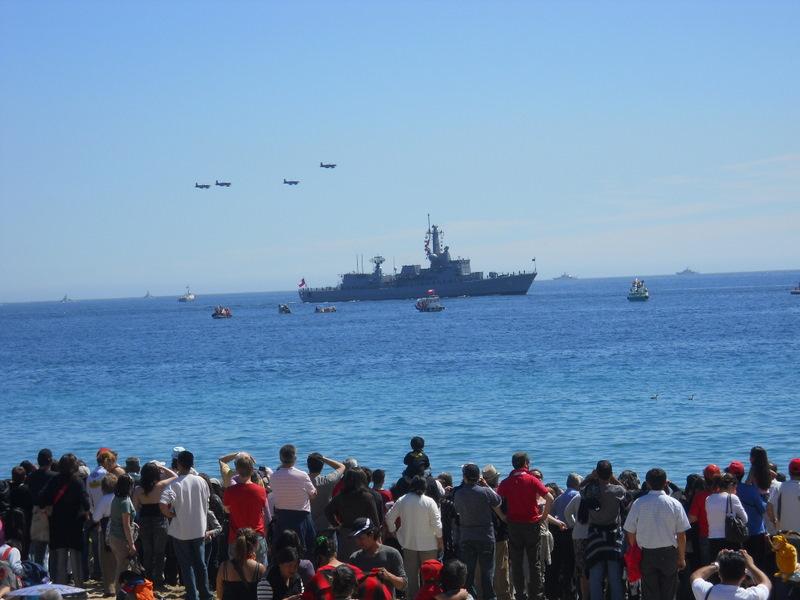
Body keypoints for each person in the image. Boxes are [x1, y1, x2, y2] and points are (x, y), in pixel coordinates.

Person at [623, 468, 691, 600]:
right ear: (666, 483)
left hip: (647, 553)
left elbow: (630, 531)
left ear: (647, 483)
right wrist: (681, 557)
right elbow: (681, 535)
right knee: (669, 592)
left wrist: (636, 547)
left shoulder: (639, 503)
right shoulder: (675, 504)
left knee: (650, 593)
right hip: (669, 552)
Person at [496, 452, 553, 600]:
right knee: (534, 562)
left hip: (514, 525)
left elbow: (496, 500)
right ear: (526, 464)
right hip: (531, 524)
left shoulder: (506, 482)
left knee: (516, 561)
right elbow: (550, 498)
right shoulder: (532, 480)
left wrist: (502, 516)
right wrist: (544, 516)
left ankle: (520, 594)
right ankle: (536, 594)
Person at [160, 450, 213, 600]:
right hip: (199, 528)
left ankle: (192, 595)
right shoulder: (201, 481)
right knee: (201, 564)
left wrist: (170, 515)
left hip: (181, 531)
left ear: (178, 464)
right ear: (192, 464)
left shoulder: (174, 484)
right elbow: (206, 501)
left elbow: (163, 504)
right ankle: (206, 594)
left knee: (186, 565)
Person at [385, 476, 443, 600]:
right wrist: (440, 541)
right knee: (430, 578)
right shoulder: (429, 501)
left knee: (411, 578)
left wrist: (393, 532)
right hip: (429, 545)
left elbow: (389, 518)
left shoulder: (402, 500)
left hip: (408, 543)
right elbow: (437, 524)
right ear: (424, 487)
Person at [39, 453, 90, 587]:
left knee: (60, 560)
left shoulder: (55, 480)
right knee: (76, 559)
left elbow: (42, 499)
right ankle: (79, 589)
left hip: (57, 524)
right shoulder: (77, 481)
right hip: (75, 524)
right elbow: (86, 503)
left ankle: (61, 589)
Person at [451, 464, 502, 600]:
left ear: (464, 477)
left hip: (466, 536)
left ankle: (469, 597)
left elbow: (456, 509)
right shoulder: (484, 492)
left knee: (468, 573)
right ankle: (490, 598)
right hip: (486, 536)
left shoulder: (459, 493)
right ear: (478, 477)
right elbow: (498, 500)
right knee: (487, 573)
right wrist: (486, 486)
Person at [581, 461, 625, 600]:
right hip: (613, 536)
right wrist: (613, 478)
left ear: (597, 473)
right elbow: (626, 490)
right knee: (615, 577)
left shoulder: (589, 490)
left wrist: (590, 477)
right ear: (610, 473)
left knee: (595, 576)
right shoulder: (617, 491)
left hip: (595, 535)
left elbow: (579, 488)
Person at [133, 461, 177, 589]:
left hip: (144, 521)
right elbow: (175, 476)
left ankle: (147, 579)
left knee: (147, 552)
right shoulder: (160, 486)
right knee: (159, 552)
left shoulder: (138, 489)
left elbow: (136, 508)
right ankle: (158, 580)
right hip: (160, 520)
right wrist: (161, 467)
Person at [270, 445, 317, 558]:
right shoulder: (302, 475)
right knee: (305, 550)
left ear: (281, 458)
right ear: (295, 458)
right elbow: (313, 494)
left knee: (283, 550)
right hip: (302, 518)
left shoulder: (273, 476)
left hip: (282, 518)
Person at [325, 469, 381, 562]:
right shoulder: (367, 497)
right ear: (363, 479)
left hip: (346, 534)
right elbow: (375, 521)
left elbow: (327, 511)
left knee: (346, 564)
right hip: (364, 535)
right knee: (364, 564)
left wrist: (337, 525)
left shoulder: (341, 496)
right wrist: (376, 538)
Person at [222, 454, 268, 564]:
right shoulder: (261, 491)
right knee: (261, 574)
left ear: (237, 470)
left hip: (236, 537)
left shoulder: (230, 491)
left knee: (236, 573)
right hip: (256, 536)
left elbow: (227, 510)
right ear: (252, 469)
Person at [348, 517, 407, 599]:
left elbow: (403, 585)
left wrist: (388, 576)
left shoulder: (391, 554)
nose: (358, 542)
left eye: (361, 538)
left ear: (371, 535)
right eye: (356, 539)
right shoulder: (354, 558)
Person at [736, 449, 771, 570]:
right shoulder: (766, 467)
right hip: (765, 496)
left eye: (751, 455)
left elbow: (747, 482)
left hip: (756, 496)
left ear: (754, 457)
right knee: (762, 521)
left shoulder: (754, 469)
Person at [689, 549, 770, 600]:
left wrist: (716, 565)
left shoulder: (707, 592)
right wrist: (751, 566)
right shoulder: (752, 596)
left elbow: (695, 576)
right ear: (743, 576)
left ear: (719, 573)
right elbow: (766, 582)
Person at [107, 474, 137, 600]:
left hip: (113, 536)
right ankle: (120, 595)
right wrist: (132, 545)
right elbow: (126, 526)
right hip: (121, 538)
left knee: (120, 565)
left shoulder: (116, 499)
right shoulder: (124, 502)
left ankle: (121, 594)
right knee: (122, 567)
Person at [216, 527, 267, 600]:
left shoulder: (224, 567)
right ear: (255, 545)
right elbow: (264, 596)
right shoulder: (259, 569)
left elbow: (219, 596)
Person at [27, 449, 57, 570]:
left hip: (37, 514)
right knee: (55, 550)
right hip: (53, 514)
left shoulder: (31, 477)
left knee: (39, 551)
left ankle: (40, 578)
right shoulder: (55, 476)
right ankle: (53, 577)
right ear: (50, 461)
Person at [706, 473, 747, 557]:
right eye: (735, 487)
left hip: (713, 538)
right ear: (731, 485)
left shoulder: (708, 499)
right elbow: (745, 519)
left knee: (717, 566)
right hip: (730, 538)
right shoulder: (732, 497)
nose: (736, 490)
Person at [688, 465, 720, 566]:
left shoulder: (700, 496)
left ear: (705, 478)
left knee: (707, 566)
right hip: (724, 535)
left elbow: (692, 518)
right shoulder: (727, 494)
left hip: (705, 535)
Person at [92, 473, 118, 597]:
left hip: (106, 530)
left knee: (107, 562)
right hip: (120, 530)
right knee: (119, 560)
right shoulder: (121, 497)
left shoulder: (105, 499)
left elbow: (96, 517)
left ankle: (109, 588)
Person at [306, 453, 345, 534]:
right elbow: (342, 467)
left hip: (308, 525)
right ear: (322, 466)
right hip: (326, 525)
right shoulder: (328, 481)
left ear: (308, 465)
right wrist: (323, 458)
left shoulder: (302, 481)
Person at [767, 457, 800, 532]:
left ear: (789, 471)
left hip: (784, 533)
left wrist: (774, 522)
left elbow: (769, 507)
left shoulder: (779, 486)